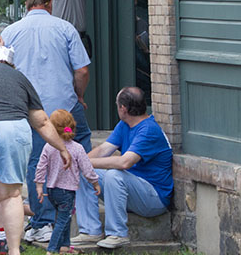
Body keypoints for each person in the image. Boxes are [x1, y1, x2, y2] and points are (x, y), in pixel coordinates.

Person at [0, 46, 73, 255]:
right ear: (11, 63)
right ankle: (13, 251)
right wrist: (61, 148)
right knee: (11, 196)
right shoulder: (20, 78)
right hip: (14, 129)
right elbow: (42, 121)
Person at [2, 0, 91, 243]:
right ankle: (83, 217)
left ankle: (43, 221)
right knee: (79, 153)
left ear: (27, 5)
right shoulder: (65, 28)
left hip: (29, 108)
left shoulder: (11, 32)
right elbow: (82, 71)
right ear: (49, 3)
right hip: (64, 107)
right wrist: (80, 95)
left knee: (36, 162)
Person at [72, 87, 172, 249]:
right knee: (86, 171)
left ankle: (118, 234)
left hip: (154, 198)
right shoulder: (125, 125)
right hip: (131, 190)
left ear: (123, 108)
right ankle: (90, 232)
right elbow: (104, 150)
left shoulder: (149, 130)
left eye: (117, 105)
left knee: (114, 175)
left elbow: (125, 163)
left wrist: (84, 163)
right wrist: (81, 162)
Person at [34, 110, 100, 254]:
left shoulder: (49, 146)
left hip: (52, 191)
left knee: (64, 217)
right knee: (62, 220)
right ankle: (52, 249)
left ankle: (64, 245)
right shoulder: (77, 148)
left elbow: (40, 167)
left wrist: (39, 185)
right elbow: (87, 168)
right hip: (67, 191)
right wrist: (95, 182)